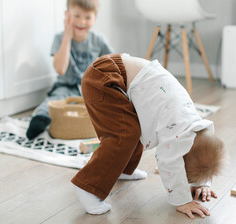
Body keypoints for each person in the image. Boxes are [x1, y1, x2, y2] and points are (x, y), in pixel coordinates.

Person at [71, 54, 225, 218]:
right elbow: (169, 163)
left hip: (115, 75)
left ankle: (122, 168)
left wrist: (201, 183)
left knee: (134, 128)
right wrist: (182, 201)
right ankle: (87, 186)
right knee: (124, 134)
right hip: (104, 77)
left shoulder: (195, 127)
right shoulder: (177, 134)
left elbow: (202, 153)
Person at [26, 0, 114, 139]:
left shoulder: (99, 40)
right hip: (66, 87)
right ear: (67, 16)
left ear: (94, 18)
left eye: (87, 17)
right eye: (77, 16)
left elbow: (113, 64)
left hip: (91, 88)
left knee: (109, 103)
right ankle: (39, 120)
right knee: (51, 103)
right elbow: (60, 69)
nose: (81, 21)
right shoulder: (60, 38)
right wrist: (67, 36)